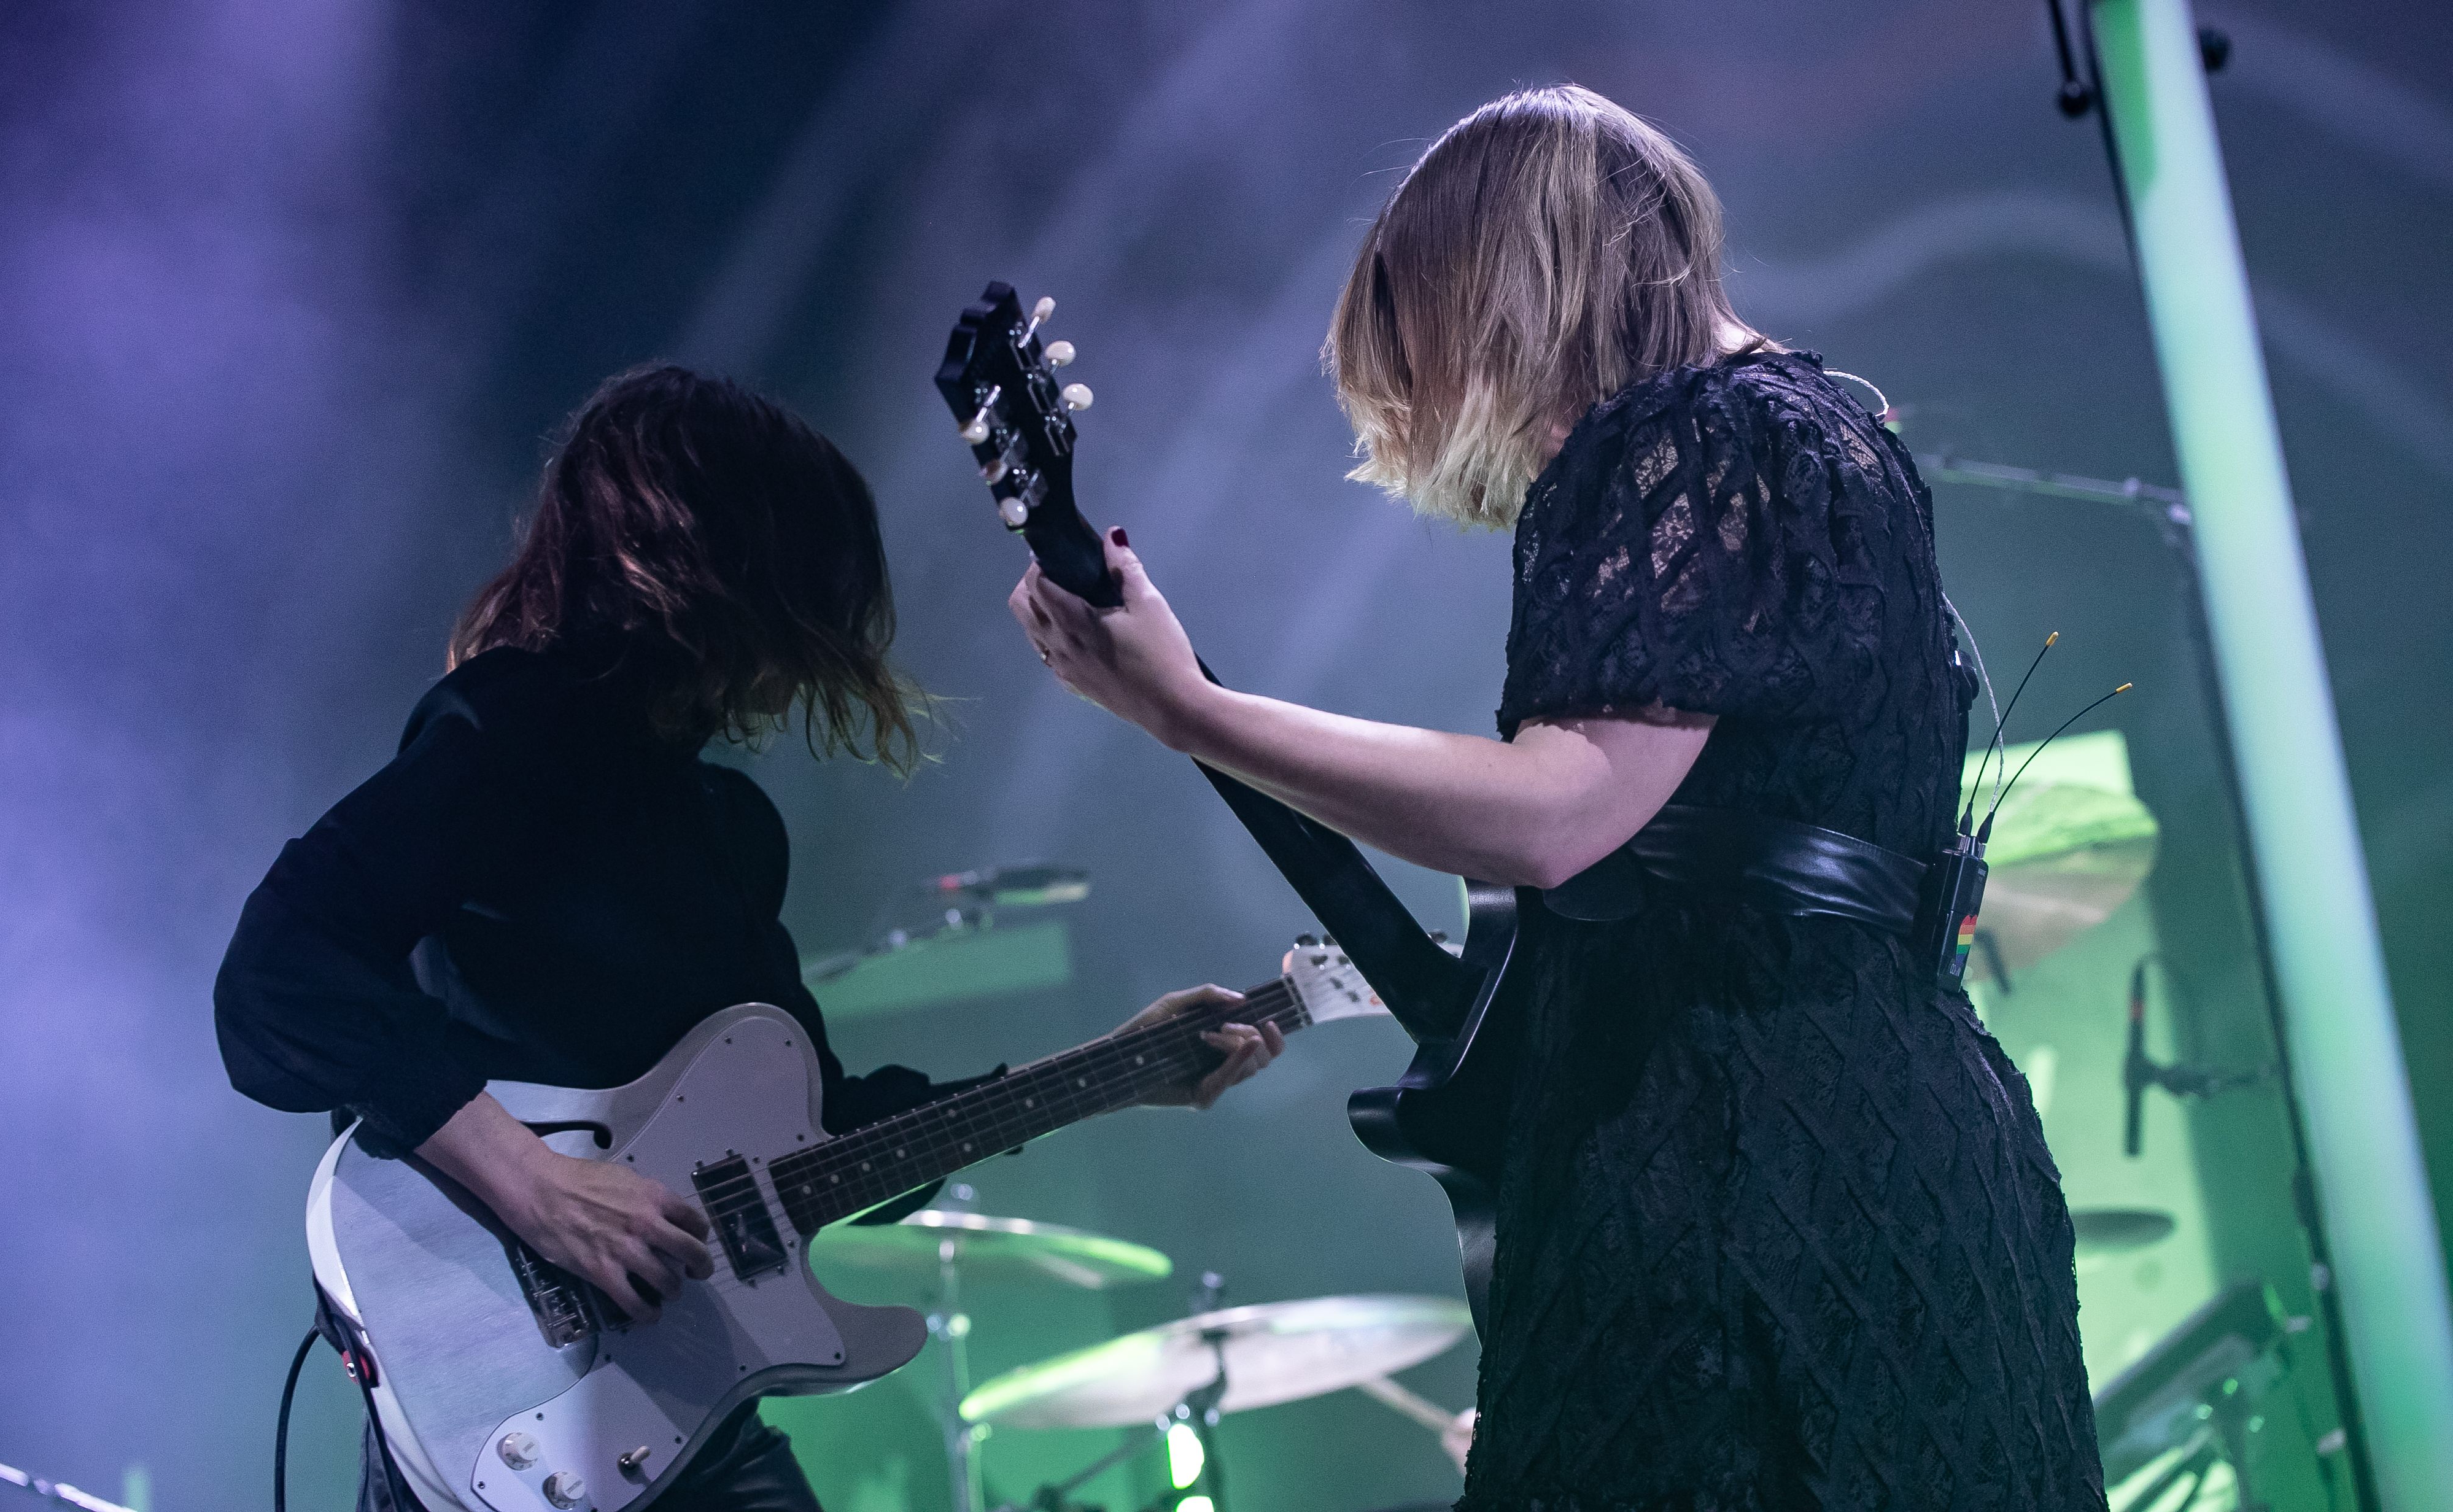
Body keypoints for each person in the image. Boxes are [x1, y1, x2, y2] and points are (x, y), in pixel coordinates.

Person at [1010, 88, 2103, 1510]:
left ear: (1506, 292)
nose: (1479, 425)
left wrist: (1193, 711)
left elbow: (1556, 812)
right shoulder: (1835, 432)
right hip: (1911, 1149)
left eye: (1437, 352)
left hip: (1734, 1165)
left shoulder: (1682, 440)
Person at [214, 365, 1283, 1512]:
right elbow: (277, 975)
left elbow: (819, 1136)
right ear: (723, 568)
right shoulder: (514, 725)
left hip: (683, 1407)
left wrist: (1112, 1074)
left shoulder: (727, 827)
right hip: (505, 1398)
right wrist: (537, 1187)